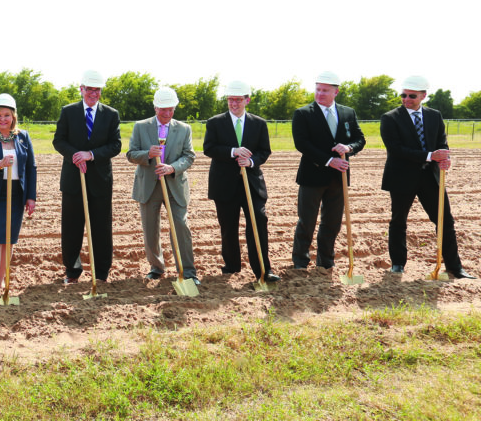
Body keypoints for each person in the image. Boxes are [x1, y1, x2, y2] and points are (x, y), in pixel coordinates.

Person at [379, 76, 475, 279]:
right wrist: (430, 156)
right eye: (403, 95)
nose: (406, 99)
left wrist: (444, 157)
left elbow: (441, 142)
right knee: (398, 221)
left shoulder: (434, 116)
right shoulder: (390, 118)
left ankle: (454, 267)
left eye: (412, 96)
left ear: (423, 95)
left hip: (430, 178)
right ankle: (398, 264)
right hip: (402, 177)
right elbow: (396, 149)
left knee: (444, 220)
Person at [203, 81, 281, 283]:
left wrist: (252, 161)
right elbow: (209, 148)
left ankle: (263, 269)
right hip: (224, 184)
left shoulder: (259, 123)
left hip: (252, 184)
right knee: (228, 227)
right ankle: (231, 266)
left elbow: (265, 151)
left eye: (238, 99)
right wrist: (232, 152)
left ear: (247, 100)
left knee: (258, 222)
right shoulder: (215, 122)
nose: (234, 103)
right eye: (230, 99)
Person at [291, 71, 366, 270]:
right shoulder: (303, 113)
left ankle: (326, 260)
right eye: (318, 89)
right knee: (306, 221)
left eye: (325, 90)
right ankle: (300, 260)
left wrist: (349, 148)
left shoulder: (348, 113)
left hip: (338, 177)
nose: (320, 93)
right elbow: (302, 144)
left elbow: (360, 139)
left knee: (332, 222)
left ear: (336, 92)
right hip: (312, 176)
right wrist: (328, 160)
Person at [52, 70, 121, 284]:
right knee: (72, 227)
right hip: (74, 180)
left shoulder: (111, 114)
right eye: (89, 89)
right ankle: (72, 271)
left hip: (100, 181)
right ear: (81, 89)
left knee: (101, 227)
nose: (93, 93)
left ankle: (101, 273)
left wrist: (91, 155)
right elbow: (59, 141)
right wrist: (75, 155)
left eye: (97, 89)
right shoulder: (68, 112)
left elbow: (115, 145)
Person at [127, 88, 198, 283]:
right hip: (149, 186)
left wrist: (172, 168)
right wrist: (147, 154)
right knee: (150, 229)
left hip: (175, 185)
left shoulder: (184, 129)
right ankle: (156, 267)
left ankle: (188, 272)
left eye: (171, 110)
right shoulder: (141, 127)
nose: (167, 114)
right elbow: (131, 154)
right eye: (163, 110)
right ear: (155, 107)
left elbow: (189, 156)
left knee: (181, 227)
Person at [0, 93, 37, 301]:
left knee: (9, 241)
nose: (3, 119)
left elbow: (31, 167)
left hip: (16, 194)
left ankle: (3, 282)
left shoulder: (23, 137)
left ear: (13, 117)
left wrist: (31, 197)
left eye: (7, 115)